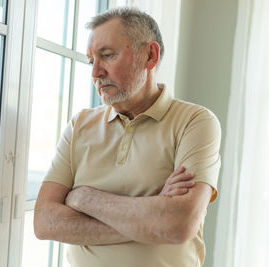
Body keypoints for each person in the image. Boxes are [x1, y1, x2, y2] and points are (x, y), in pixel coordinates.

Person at [33, 7, 221, 267]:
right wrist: (151, 216)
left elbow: (178, 225)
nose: (95, 72)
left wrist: (84, 198)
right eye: (91, 61)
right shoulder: (80, 125)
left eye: (107, 55)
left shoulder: (196, 122)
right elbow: (44, 222)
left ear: (150, 56)